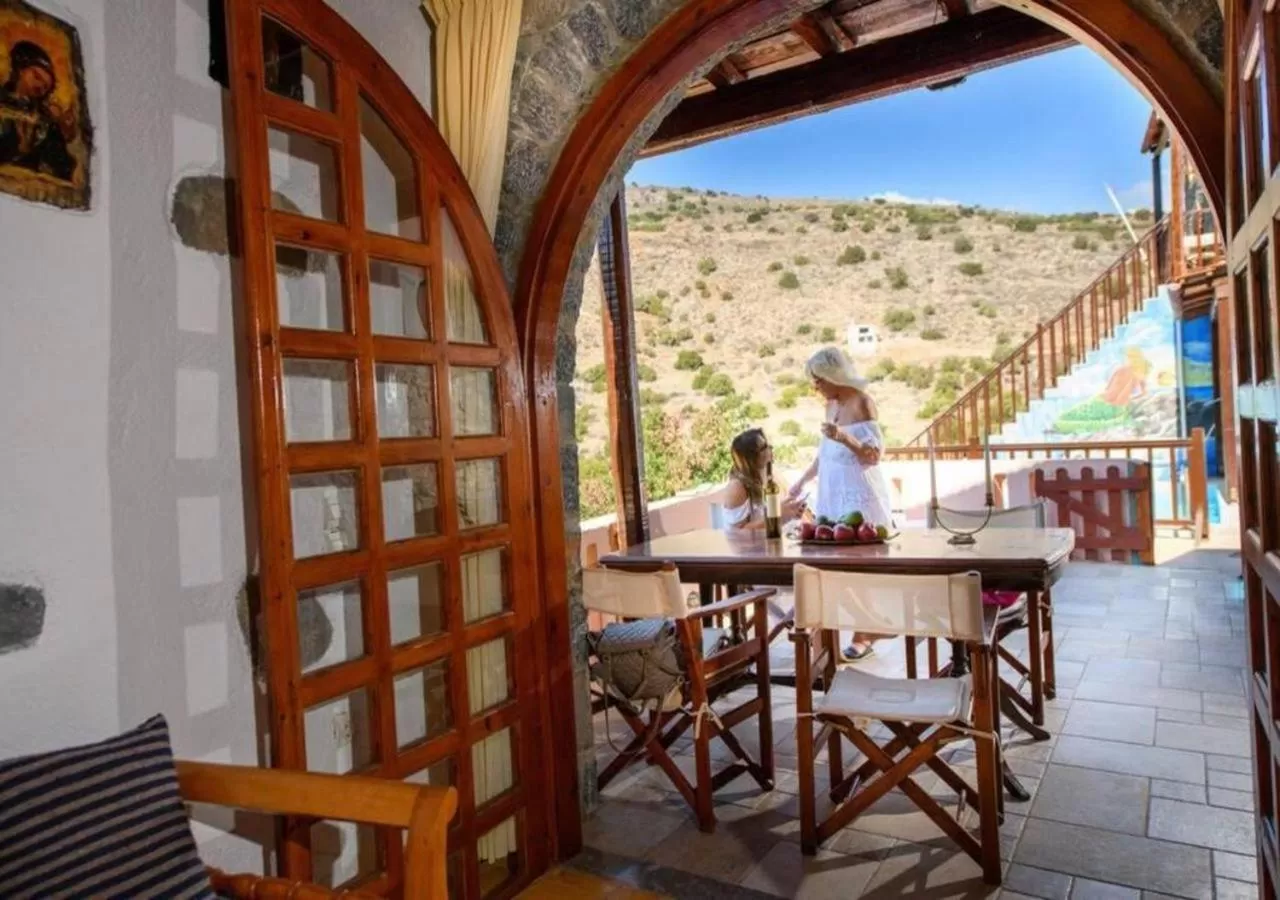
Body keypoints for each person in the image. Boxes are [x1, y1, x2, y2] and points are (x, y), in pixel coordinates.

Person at [787, 347, 894, 660]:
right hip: (832, 494)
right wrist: (801, 481)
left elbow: (873, 457)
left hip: (858, 494)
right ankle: (867, 627)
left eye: (819, 380)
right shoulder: (830, 405)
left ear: (834, 376)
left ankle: (864, 633)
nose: (816, 387)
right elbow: (824, 453)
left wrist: (844, 438)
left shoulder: (863, 402)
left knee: (859, 569)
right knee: (835, 567)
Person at [0, 41, 78, 182]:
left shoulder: (45, 120)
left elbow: (62, 165)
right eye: (36, 76)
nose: (40, 86)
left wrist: (65, 134)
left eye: (46, 86)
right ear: (20, 70)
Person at [719, 427, 804, 530]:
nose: (770, 448)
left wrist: (788, 513)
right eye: (764, 447)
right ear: (751, 458)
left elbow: (762, 518)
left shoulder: (762, 478)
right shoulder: (737, 487)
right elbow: (738, 533)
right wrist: (778, 515)